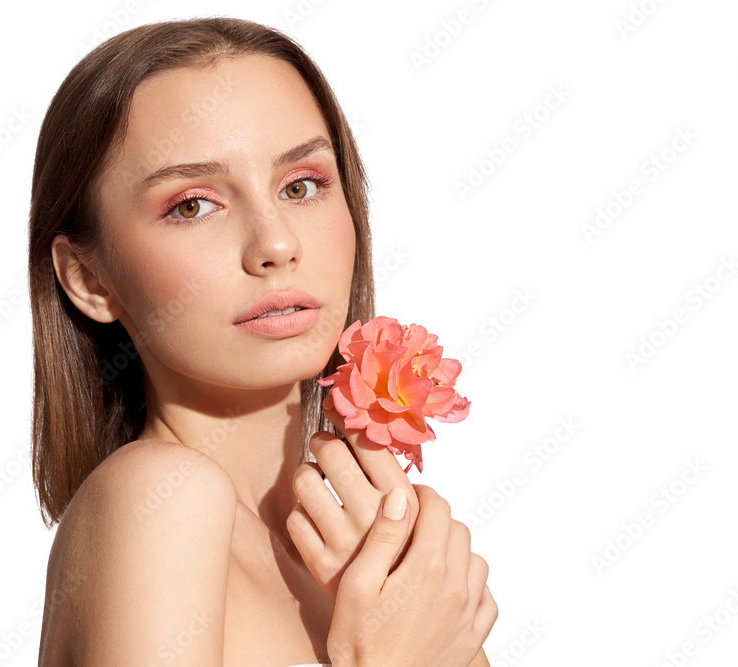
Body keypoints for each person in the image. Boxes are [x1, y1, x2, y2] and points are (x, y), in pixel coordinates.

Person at [28, 16, 497, 666]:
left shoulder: (361, 560)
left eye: (301, 185)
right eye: (192, 204)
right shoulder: (159, 498)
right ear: (89, 278)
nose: (277, 243)